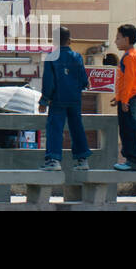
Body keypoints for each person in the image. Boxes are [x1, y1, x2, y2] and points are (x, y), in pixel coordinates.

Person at [39, 26, 91, 170]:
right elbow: (83, 79)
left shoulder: (51, 57)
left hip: (57, 99)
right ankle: (82, 160)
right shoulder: (77, 57)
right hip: (75, 99)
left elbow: (48, 82)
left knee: (55, 128)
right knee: (76, 127)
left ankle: (53, 161)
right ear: (70, 40)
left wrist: (44, 100)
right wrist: (82, 86)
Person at [111, 23, 136, 171]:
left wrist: (124, 100)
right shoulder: (132, 55)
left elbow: (129, 80)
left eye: (118, 38)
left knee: (129, 129)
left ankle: (133, 161)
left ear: (127, 39)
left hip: (130, 100)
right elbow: (124, 81)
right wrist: (118, 97)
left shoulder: (129, 57)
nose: (115, 41)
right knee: (128, 129)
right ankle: (131, 159)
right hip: (129, 98)